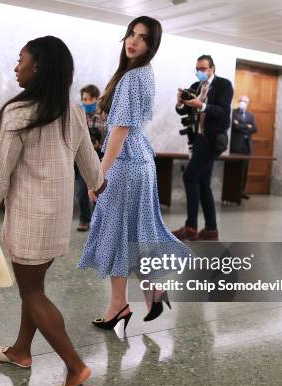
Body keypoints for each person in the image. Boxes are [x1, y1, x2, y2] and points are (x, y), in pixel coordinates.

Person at [0, 36, 104, 386]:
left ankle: (76, 368)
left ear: (38, 66)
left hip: (28, 218)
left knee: (33, 293)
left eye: (20, 59)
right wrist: (101, 186)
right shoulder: (71, 110)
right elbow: (90, 162)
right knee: (35, 288)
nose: (16, 66)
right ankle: (21, 351)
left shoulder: (19, 112)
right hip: (56, 218)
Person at [78, 16, 190, 330]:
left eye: (142, 38)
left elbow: (120, 129)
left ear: (151, 46)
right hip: (141, 161)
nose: (133, 41)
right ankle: (147, 287)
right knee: (132, 231)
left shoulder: (131, 77)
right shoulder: (143, 72)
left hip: (126, 164)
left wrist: (98, 175)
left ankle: (123, 302)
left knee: (117, 232)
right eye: (131, 34)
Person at [172, 55, 233, 241]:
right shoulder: (196, 86)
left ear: (212, 68)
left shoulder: (224, 85)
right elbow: (183, 111)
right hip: (198, 139)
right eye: (197, 68)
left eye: (203, 68)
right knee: (203, 183)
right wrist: (180, 103)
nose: (200, 71)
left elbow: (223, 112)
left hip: (213, 140)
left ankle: (191, 226)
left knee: (190, 176)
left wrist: (203, 106)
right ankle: (211, 230)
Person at [76, 84, 107, 232]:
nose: (87, 102)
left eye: (91, 99)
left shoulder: (104, 116)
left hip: (100, 155)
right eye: (84, 99)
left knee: (99, 189)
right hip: (82, 157)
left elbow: (110, 137)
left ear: (96, 99)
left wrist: (99, 144)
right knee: (82, 190)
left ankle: (98, 221)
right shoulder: (78, 115)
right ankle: (84, 220)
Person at [230, 95, 257, 199]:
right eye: (242, 101)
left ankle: (241, 192)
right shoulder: (233, 112)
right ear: (239, 101)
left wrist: (241, 125)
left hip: (247, 146)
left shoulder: (250, 115)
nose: (243, 103)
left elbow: (254, 129)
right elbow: (234, 126)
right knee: (234, 169)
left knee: (244, 170)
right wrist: (247, 126)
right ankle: (232, 191)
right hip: (236, 145)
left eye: (246, 101)